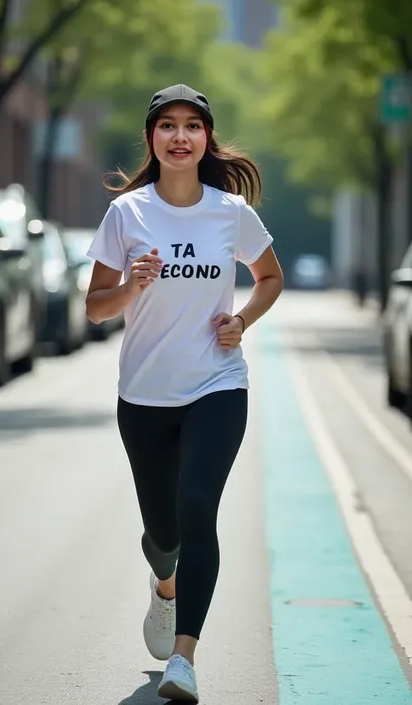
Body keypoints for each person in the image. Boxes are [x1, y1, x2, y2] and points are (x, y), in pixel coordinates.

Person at [85, 84, 283, 703]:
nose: (179, 136)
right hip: (144, 395)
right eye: (166, 126)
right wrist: (130, 289)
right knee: (163, 533)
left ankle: (184, 658)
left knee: (198, 506)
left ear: (206, 140)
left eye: (191, 127)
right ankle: (165, 584)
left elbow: (269, 276)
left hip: (216, 383)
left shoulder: (229, 212)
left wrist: (242, 322)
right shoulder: (127, 214)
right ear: (152, 139)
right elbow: (94, 309)